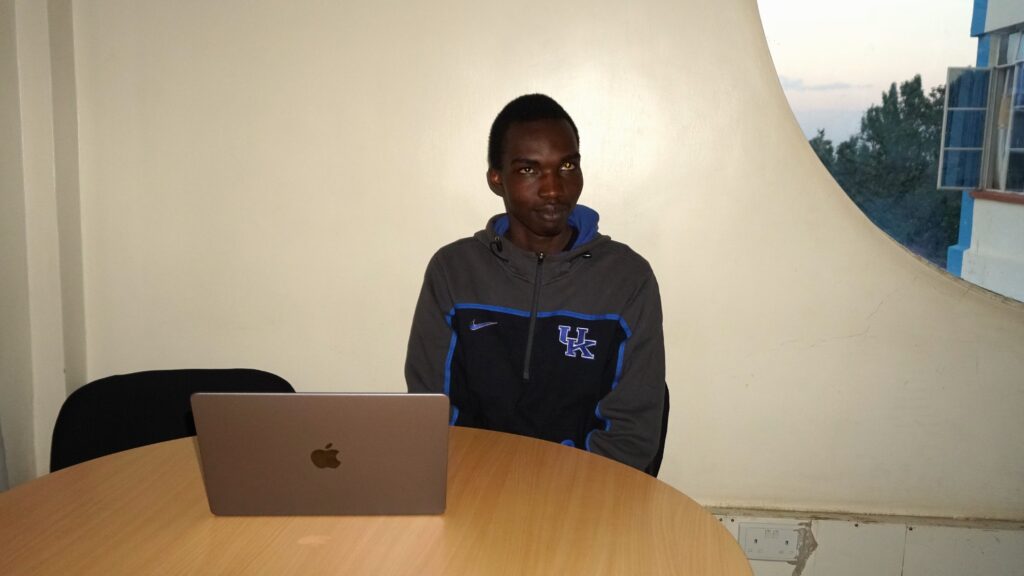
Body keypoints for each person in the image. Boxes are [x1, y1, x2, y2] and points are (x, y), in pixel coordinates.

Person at [405, 94, 666, 471]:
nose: (553, 189)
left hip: (586, 496)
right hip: (474, 491)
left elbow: (632, 432)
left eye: (566, 166)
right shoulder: (454, 271)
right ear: (497, 178)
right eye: (530, 170)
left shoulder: (627, 278)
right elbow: (432, 410)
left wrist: (556, 498)